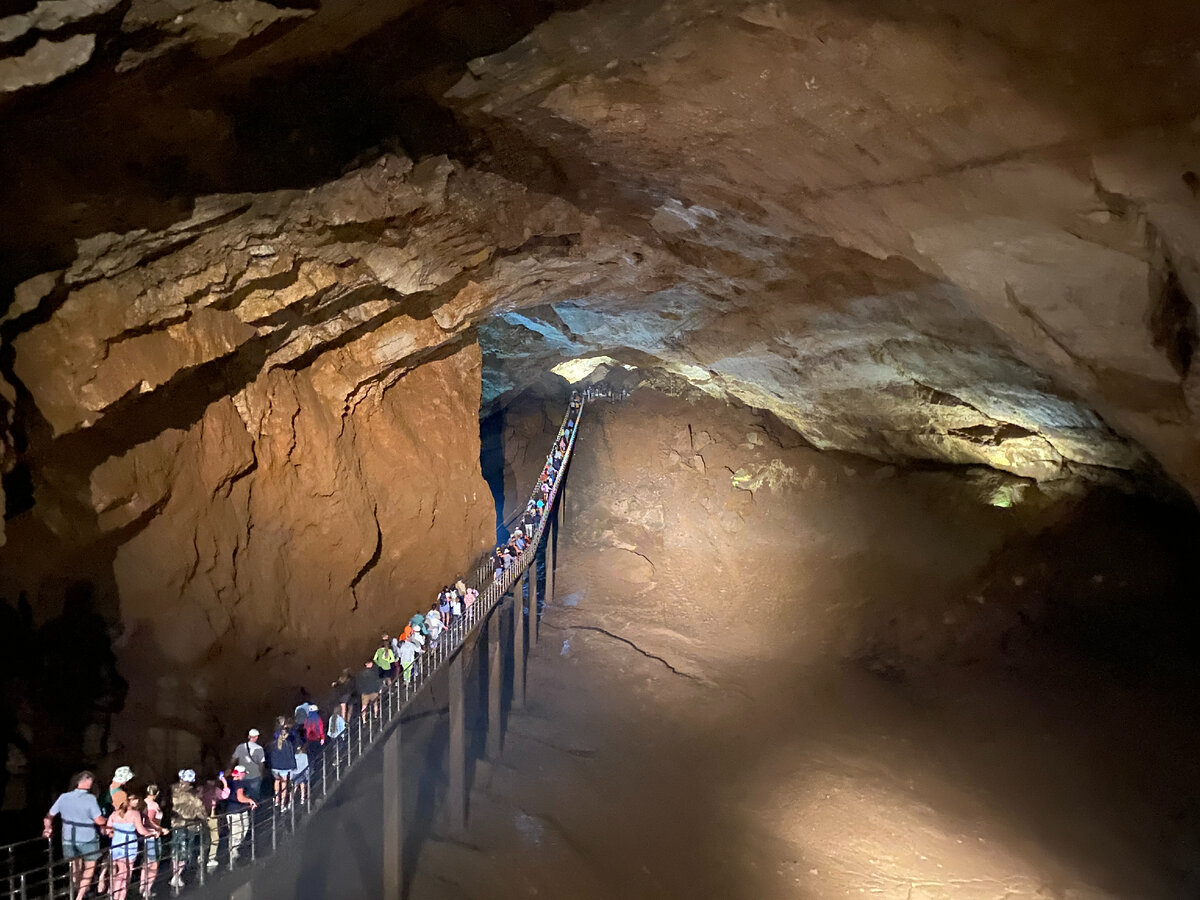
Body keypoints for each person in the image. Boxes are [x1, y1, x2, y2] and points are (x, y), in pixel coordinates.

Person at [43, 771, 106, 900]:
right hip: (87, 837)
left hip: (68, 837)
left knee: (74, 867)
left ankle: (77, 890)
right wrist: (110, 821)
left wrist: (47, 828)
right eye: (89, 780)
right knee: (89, 866)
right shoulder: (90, 799)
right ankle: (80, 895)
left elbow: (49, 816)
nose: (90, 783)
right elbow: (99, 820)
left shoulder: (63, 797)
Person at [106, 793, 158, 900]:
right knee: (126, 874)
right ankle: (120, 898)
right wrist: (153, 833)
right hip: (129, 844)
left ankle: (115, 895)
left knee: (120, 871)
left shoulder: (114, 814)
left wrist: (116, 833)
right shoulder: (134, 814)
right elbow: (141, 830)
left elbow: (108, 830)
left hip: (117, 844)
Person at [168, 770, 205, 889]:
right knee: (185, 851)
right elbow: (200, 809)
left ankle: (175, 874)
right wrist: (204, 818)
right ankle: (176, 876)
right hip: (189, 824)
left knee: (176, 849)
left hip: (175, 823)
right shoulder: (193, 795)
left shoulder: (171, 790)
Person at [225, 766, 258, 863]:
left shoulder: (229, 782)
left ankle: (233, 850)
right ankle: (233, 852)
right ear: (240, 774)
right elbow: (240, 797)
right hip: (239, 810)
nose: (244, 775)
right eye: (243, 773)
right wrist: (250, 801)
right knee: (240, 832)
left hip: (230, 810)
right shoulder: (240, 784)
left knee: (235, 832)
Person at [140, 784, 167, 898]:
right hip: (152, 835)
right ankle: (147, 889)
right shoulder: (152, 805)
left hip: (145, 836)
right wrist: (161, 829)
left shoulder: (142, 802)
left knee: (146, 862)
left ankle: (142, 886)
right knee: (153, 864)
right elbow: (149, 820)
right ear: (156, 794)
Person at [198, 774, 229, 870]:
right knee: (214, 837)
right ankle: (211, 858)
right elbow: (225, 795)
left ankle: (201, 855)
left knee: (204, 836)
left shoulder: (200, 789)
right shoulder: (215, 790)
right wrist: (224, 783)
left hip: (201, 815)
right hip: (211, 815)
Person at [269, 716, 297, 809]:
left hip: (275, 766)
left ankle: (276, 800)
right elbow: (291, 755)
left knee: (277, 781)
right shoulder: (288, 744)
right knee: (284, 783)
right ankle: (282, 804)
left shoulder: (273, 742)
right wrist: (293, 765)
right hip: (284, 766)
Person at [230, 729, 265, 801]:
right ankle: (253, 810)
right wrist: (261, 774)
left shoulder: (240, 747)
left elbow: (233, 759)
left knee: (243, 795)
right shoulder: (259, 748)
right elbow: (261, 764)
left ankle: (245, 809)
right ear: (256, 737)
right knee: (254, 796)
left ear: (249, 736)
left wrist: (230, 769)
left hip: (242, 776)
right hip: (255, 776)